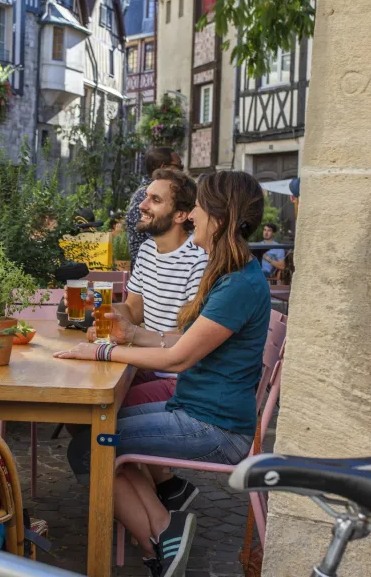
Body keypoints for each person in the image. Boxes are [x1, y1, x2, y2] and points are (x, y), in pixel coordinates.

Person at [54, 171, 270, 577]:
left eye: (201, 210)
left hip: (214, 426)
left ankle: (161, 537)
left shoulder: (237, 282)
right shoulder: (231, 273)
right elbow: (180, 339)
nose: (194, 218)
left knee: (87, 449)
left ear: (219, 219)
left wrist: (103, 350)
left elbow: (178, 359)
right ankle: (164, 532)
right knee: (93, 433)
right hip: (195, 409)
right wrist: (131, 333)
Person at [85, 168, 208, 407]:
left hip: (178, 379)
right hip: (147, 365)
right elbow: (133, 310)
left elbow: (189, 337)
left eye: (155, 200)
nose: (142, 205)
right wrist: (99, 305)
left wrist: (131, 336)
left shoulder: (197, 259)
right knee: (84, 392)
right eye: (146, 196)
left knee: (98, 406)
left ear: (181, 215)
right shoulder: (147, 249)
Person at [126, 147, 183, 267]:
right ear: (164, 167)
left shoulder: (143, 192)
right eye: (179, 167)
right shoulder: (148, 194)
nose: (182, 171)